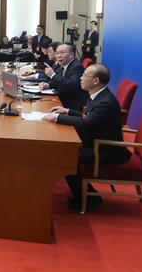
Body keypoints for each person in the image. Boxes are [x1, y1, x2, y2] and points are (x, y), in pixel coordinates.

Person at [42, 64, 130, 206]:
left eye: (84, 75)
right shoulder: (98, 95)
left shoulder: (105, 102)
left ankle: (89, 199)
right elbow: (88, 116)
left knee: (65, 157)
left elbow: (86, 123)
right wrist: (67, 111)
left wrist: (57, 118)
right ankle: (85, 195)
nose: (80, 78)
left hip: (105, 149)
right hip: (95, 141)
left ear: (96, 81)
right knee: (63, 151)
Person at [38, 43, 87, 111]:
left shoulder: (76, 66)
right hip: (60, 99)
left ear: (72, 54)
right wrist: (47, 85)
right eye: (57, 53)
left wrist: (53, 75)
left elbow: (72, 86)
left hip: (71, 105)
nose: (59, 56)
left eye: (62, 52)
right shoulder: (62, 64)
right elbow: (58, 82)